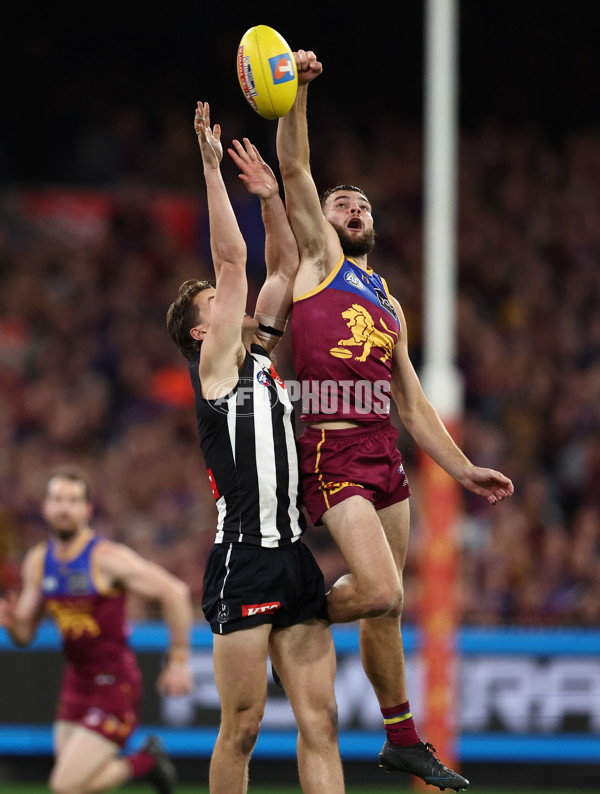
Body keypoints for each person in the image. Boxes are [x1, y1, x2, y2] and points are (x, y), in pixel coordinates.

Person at [275, 50, 515, 792]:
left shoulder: (387, 301)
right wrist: (297, 96)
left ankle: (402, 738)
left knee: (391, 606)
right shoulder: (318, 261)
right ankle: (290, 615)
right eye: (342, 203)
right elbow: (294, 169)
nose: (354, 209)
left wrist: (462, 468)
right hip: (332, 448)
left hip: (384, 451)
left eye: (363, 207)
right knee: (376, 590)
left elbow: (411, 402)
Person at [165, 101, 344, 794]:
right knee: (241, 728)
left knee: (321, 720)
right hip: (242, 560)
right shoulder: (212, 370)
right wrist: (213, 172)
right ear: (198, 333)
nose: (230, 301)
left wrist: (271, 199)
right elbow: (234, 259)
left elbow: (284, 265)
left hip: (293, 556)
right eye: (215, 301)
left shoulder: (259, 357)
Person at [0, 464, 194, 794]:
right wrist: (14, 625)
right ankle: (146, 760)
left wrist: (178, 660)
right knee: (79, 787)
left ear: (87, 509)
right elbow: (25, 637)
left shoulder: (106, 557)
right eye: (57, 499)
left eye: (73, 500)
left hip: (114, 684)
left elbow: (175, 593)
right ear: (45, 507)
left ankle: (145, 761)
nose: (64, 507)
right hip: (76, 683)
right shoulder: (38, 561)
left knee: (64, 785)